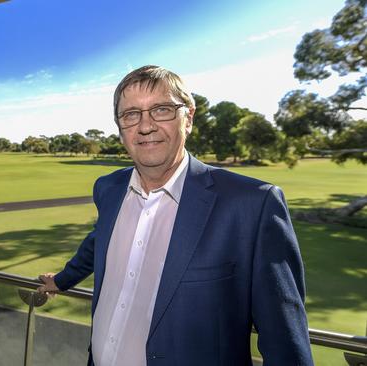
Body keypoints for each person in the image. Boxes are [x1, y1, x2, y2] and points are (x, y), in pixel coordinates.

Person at [38, 65, 313, 365]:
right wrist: (61, 280)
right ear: (120, 128)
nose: (145, 126)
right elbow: (98, 242)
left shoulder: (252, 204)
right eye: (131, 114)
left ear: (189, 118)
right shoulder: (108, 188)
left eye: (161, 110)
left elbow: (284, 341)